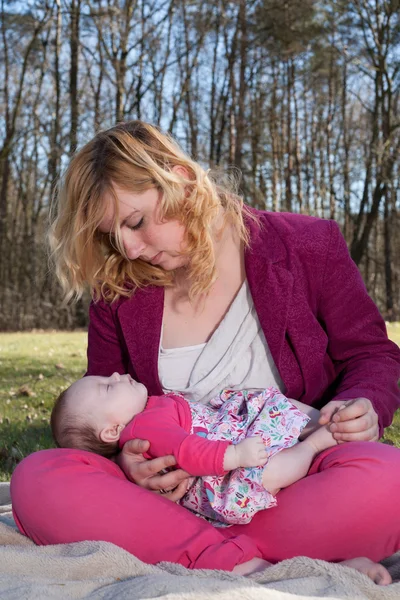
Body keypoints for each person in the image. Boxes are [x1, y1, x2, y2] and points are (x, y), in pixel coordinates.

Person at [10, 120, 400, 581]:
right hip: (171, 505)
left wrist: (365, 405)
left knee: (389, 477)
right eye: (112, 236)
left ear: (182, 178)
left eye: (135, 222)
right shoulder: (117, 291)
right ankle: (254, 559)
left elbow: (373, 355)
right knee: (38, 478)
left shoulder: (306, 245)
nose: (130, 248)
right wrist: (129, 464)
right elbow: (100, 419)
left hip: (292, 483)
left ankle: (215, 557)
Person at [50, 373, 342, 525]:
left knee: (266, 403)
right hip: (224, 472)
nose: (115, 375)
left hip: (232, 440)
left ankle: (321, 424)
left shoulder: (149, 410)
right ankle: (318, 440)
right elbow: (186, 451)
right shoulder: (143, 427)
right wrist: (236, 456)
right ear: (112, 430)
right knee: (266, 474)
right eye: (107, 387)